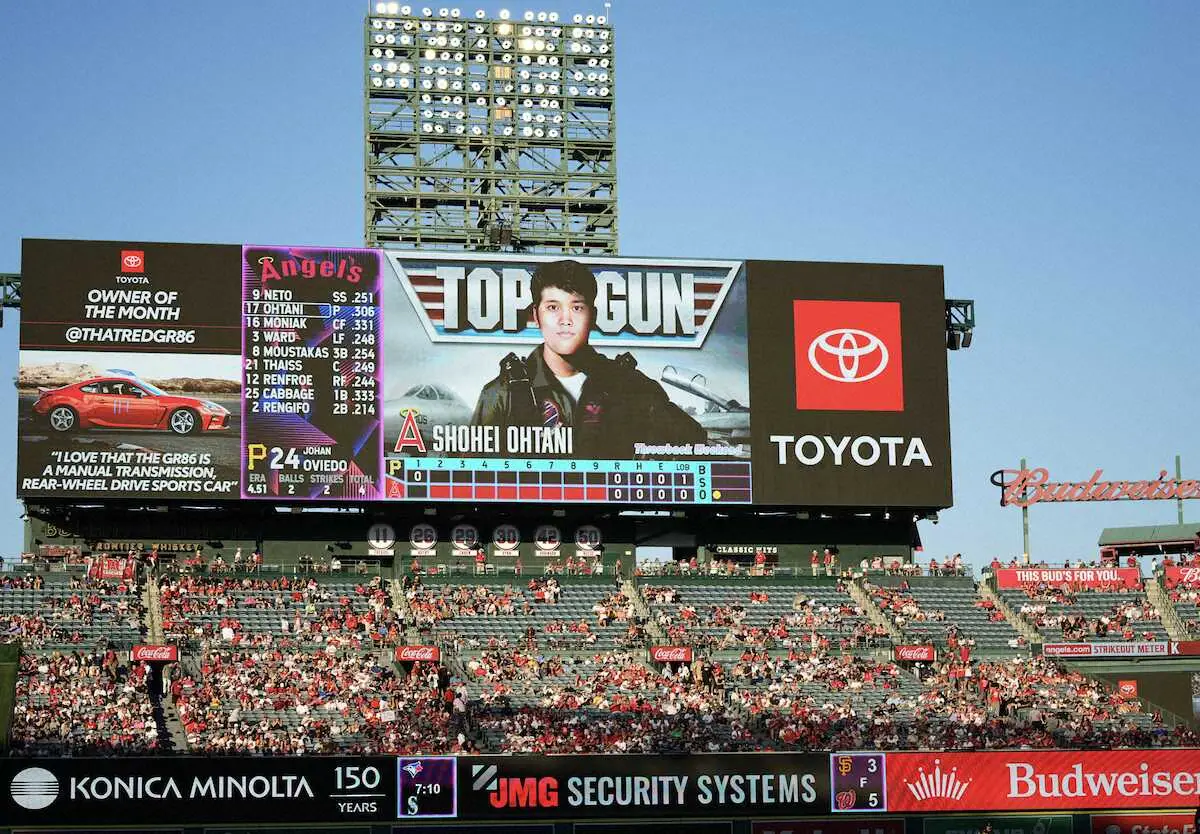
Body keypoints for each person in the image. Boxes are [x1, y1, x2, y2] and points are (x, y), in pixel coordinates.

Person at [470, 260, 706, 459]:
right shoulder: (502, 394)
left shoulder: (631, 386)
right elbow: (471, 474)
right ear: (535, 315)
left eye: (577, 308)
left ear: (593, 315)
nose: (565, 320)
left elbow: (693, 442)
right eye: (553, 307)